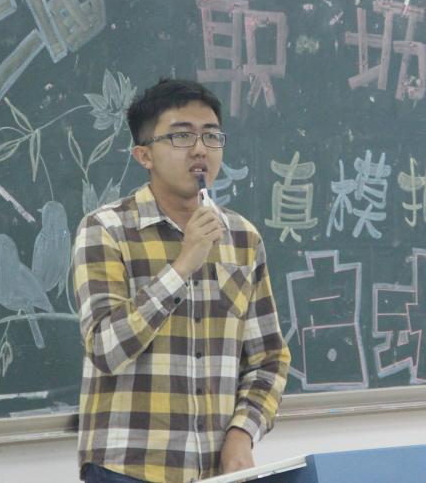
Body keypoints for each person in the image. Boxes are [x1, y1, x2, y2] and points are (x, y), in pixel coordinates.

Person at [72, 78, 291, 483]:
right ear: (144, 155)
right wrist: (182, 265)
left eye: (211, 135)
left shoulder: (242, 238)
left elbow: (268, 359)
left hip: (214, 471)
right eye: (181, 136)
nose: (200, 149)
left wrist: (242, 433)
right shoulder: (106, 229)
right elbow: (105, 349)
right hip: (127, 469)